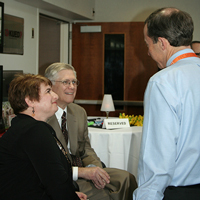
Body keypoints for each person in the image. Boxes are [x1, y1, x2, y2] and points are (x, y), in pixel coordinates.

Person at [133, 7, 200, 200]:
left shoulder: (163, 81)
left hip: (181, 192)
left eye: (148, 45)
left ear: (161, 43)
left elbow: (157, 159)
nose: (148, 52)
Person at [45, 63, 138, 200]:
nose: (72, 87)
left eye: (74, 82)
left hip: (83, 167)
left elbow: (85, 148)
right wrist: (84, 172)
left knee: (127, 179)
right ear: (51, 86)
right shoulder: (43, 115)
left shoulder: (78, 112)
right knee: (106, 193)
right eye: (66, 82)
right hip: (60, 176)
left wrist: (94, 168)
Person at [0, 74, 87, 200]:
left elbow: (37, 178)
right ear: (29, 100)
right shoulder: (34, 131)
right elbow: (56, 182)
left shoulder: (25, 127)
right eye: (48, 91)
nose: (55, 95)